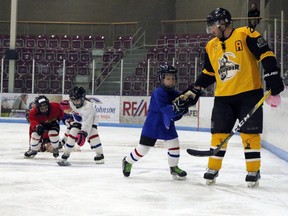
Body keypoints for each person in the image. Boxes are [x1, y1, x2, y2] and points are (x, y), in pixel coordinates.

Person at [173, 8, 284, 187]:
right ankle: (213, 168)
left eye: (213, 26)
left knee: (250, 135)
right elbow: (209, 73)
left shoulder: (245, 34)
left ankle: (253, 170)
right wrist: (195, 89)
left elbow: (266, 54)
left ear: (223, 24)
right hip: (223, 98)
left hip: (249, 94)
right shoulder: (211, 46)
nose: (211, 30)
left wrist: (272, 75)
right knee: (218, 135)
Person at [122, 65, 188, 180]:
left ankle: (174, 167)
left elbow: (176, 112)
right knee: (142, 149)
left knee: (174, 145)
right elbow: (166, 109)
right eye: (168, 78)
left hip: (167, 125)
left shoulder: (176, 93)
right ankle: (127, 161)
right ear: (161, 79)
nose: (171, 80)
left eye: (173, 78)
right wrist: (180, 109)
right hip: (153, 125)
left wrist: (184, 107)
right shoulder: (158, 93)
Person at [57, 86, 105, 166]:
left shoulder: (88, 107)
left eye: (77, 100)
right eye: (73, 101)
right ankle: (66, 154)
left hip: (91, 121)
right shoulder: (72, 101)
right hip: (78, 120)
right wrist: (65, 102)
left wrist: (83, 133)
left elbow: (87, 123)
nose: (75, 103)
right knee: (71, 135)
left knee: (93, 136)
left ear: (83, 98)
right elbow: (68, 102)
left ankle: (100, 155)